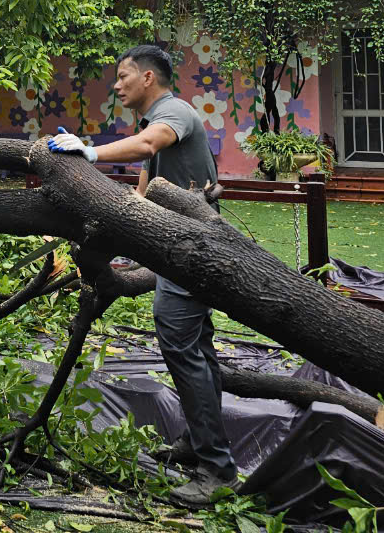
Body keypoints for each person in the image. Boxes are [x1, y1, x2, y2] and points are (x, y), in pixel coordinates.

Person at [47, 45, 236, 506]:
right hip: (177, 247)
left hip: (193, 250)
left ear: (148, 78)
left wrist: (89, 151)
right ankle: (197, 443)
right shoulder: (159, 117)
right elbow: (146, 189)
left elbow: (149, 145)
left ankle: (218, 468)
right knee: (198, 347)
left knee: (179, 344)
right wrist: (130, 246)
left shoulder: (174, 114)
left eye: (123, 76)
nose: (116, 84)